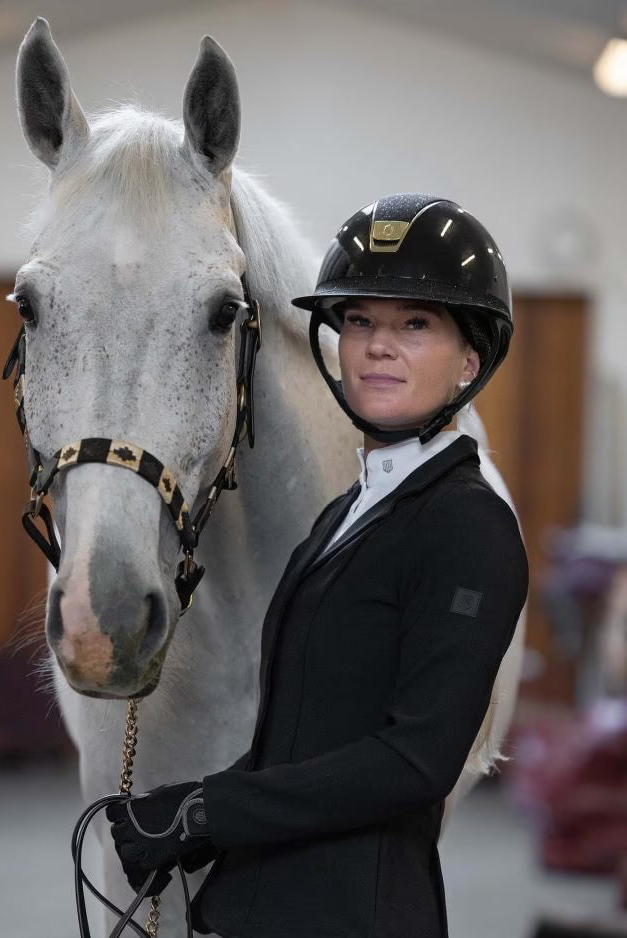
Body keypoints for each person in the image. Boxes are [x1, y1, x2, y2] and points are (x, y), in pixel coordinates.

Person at [106, 193, 529, 938]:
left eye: (415, 325)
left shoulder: (469, 525)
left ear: (471, 358)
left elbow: (416, 759)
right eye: (360, 321)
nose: (377, 346)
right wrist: (187, 813)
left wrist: (212, 809)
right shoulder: (343, 514)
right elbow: (301, 740)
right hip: (263, 910)